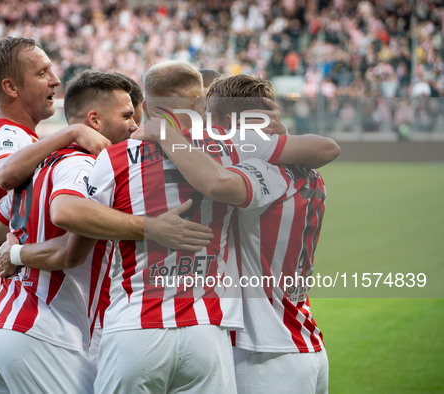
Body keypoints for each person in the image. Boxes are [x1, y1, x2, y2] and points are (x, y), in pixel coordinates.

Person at [89, 62, 341, 394]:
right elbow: (327, 147)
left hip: (265, 354)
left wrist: (165, 132)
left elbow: (216, 182)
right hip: (297, 336)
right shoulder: (302, 170)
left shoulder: (258, 170)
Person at [0, 70, 213, 394]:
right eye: (125, 116)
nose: (134, 125)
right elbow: (67, 231)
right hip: (44, 331)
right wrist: (153, 228)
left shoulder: (39, 166)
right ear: (94, 120)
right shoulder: (86, 167)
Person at [0, 37, 110, 394]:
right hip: (18, 300)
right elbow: (5, 175)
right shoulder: (9, 136)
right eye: (42, 72)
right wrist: (69, 133)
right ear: (10, 87)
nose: (56, 80)